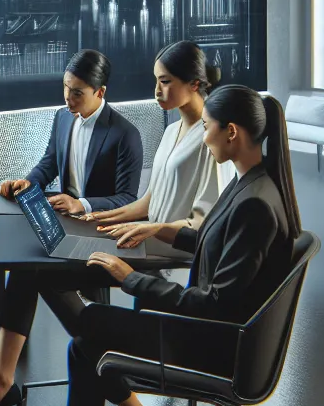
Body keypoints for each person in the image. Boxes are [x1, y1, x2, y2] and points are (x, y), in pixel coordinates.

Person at [41, 85, 298, 406]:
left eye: (209, 129)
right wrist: (157, 228)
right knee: (90, 335)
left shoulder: (255, 203)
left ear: (231, 131)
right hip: (213, 332)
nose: (205, 138)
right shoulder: (255, 184)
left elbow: (216, 304)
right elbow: (216, 241)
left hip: (210, 345)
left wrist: (131, 280)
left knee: (89, 331)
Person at [0, 48, 144, 406]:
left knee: (30, 273)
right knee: (27, 269)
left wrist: (85, 204)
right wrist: (27, 182)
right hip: (65, 227)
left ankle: (92, 358)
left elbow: (129, 197)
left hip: (101, 235)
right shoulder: (63, 119)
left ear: (100, 92)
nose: (68, 98)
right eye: (65, 88)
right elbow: (49, 163)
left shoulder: (126, 135)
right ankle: (5, 380)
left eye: (77, 92)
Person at [86, 41, 233, 263]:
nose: (156, 90)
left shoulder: (212, 138)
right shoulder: (171, 131)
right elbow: (150, 202)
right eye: (156, 80)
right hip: (154, 239)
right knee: (84, 239)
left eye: (165, 82)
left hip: (179, 250)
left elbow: (203, 223)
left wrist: (151, 229)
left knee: (82, 253)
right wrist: (97, 218)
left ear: (194, 84)